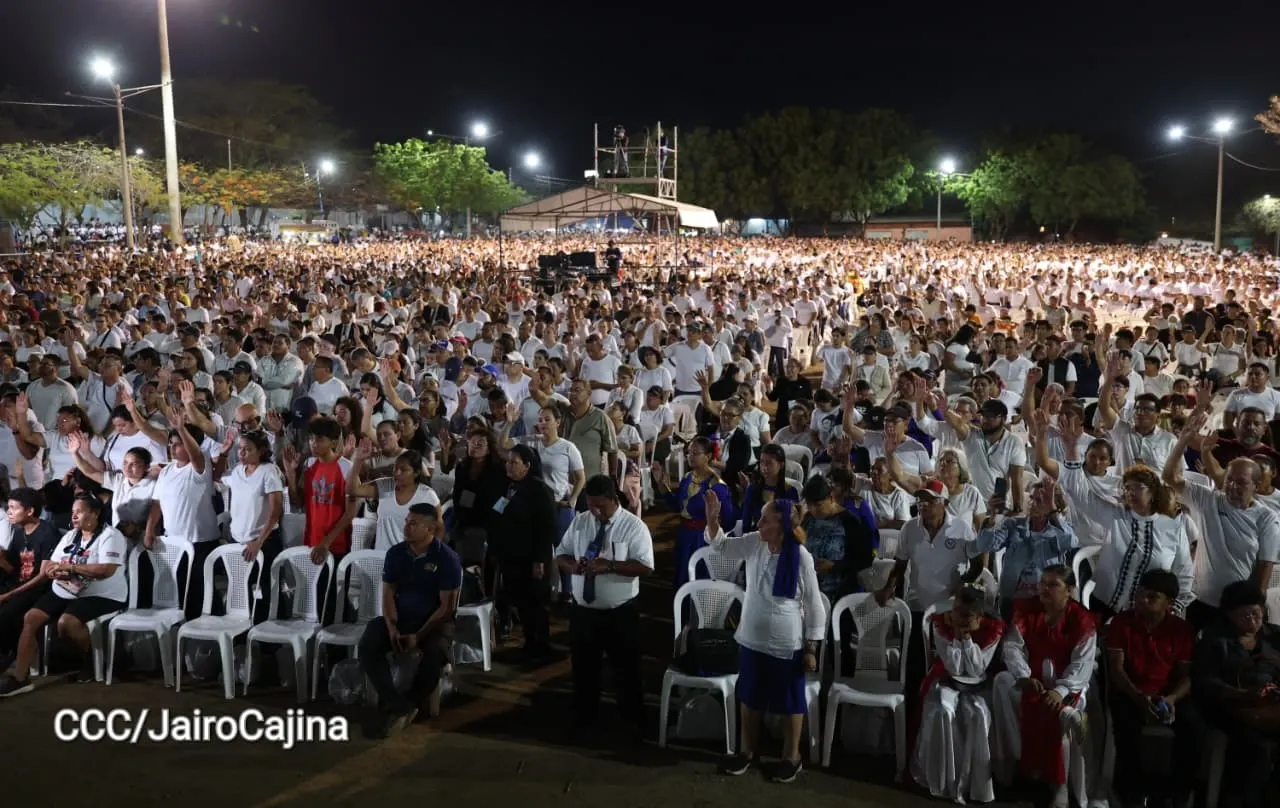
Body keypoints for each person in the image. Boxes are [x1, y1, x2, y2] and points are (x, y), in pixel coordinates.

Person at [704, 488, 826, 783]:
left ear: (782, 527)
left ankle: (791, 757)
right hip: (751, 637)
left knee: (790, 702)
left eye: (765, 520)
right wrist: (711, 519)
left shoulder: (802, 558)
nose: (758, 525)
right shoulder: (753, 544)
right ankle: (747, 752)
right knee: (750, 697)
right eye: (760, 519)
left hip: (787, 643)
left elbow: (814, 605)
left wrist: (811, 648)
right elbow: (720, 547)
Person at [554, 474, 654, 739]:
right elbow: (560, 554)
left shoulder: (633, 527)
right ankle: (585, 717)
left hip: (620, 612)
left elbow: (645, 566)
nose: (595, 510)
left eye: (600, 505)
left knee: (627, 669)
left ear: (614, 499)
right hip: (584, 610)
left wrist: (609, 566)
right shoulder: (580, 522)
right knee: (584, 667)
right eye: (591, 504)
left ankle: (633, 719)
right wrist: (573, 566)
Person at [0, 494, 129, 696]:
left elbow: (106, 570)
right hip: (65, 589)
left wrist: (72, 568)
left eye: (79, 511)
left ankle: (92, 661)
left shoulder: (110, 536)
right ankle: (20, 678)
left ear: (94, 514)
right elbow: (52, 563)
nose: (74, 516)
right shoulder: (71, 535)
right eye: (73, 512)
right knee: (31, 618)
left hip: (103, 594)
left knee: (66, 623)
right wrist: (54, 571)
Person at [990, 565, 1096, 808]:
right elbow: (1012, 647)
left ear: (1069, 590)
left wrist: (1060, 691)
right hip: (1034, 679)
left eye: (1053, 584)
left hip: (1068, 685)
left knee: (1062, 714)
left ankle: (1058, 784)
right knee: (1002, 683)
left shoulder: (1082, 621)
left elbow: (1082, 665)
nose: (1044, 589)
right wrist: (1023, 675)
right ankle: (1015, 767)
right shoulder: (1028, 611)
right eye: (1042, 583)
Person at [359, 502, 460, 737]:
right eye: (407, 521)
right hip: (402, 618)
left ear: (429, 529)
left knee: (435, 653)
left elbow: (446, 607)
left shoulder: (447, 559)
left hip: (434, 623)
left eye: (413, 523)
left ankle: (413, 701)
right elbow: (388, 594)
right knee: (369, 642)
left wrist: (418, 636)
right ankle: (398, 703)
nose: (406, 527)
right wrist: (392, 627)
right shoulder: (396, 553)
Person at [1105, 568, 1200, 808]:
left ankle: (1176, 793)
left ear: (1169, 602)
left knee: (1193, 727)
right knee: (1127, 727)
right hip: (1131, 691)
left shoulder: (1182, 630)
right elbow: (1116, 669)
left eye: (1152, 596)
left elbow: (1187, 677)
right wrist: (1138, 697)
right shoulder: (1121, 623)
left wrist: (1171, 699)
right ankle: (1131, 792)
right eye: (1140, 593)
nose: (1142, 600)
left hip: (1168, 694)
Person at [910, 583, 1006, 803]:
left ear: (979, 616)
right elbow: (953, 667)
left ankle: (976, 784)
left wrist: (967, 639)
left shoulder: (993, 629)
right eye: (957, 613)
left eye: (967, 615)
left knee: (978, 714)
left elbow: (977, 668)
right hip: (945, 676)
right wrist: (956, 635)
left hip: (979, 683)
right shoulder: (941, 624)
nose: (961, 619)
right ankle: (945, 780)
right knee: (944, 709)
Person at [1193, 580, 1280, 808]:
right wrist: (1243, 695)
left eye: (1256, 614)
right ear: (1229, 615)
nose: (1252, 621)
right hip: (1230, 708)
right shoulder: (1214, 639)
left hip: (1270, 708)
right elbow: (1206, 681)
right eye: (1244, 616)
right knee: (1253, 748)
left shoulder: (1275, 638)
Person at [494, 444, 557, 661]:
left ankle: (542, 646)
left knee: (536, 603)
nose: (509, 466)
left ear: (527, 466)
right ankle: (530, 643)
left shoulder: (539, 490)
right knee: (521, 601)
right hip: (512, 555)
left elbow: (547, 527)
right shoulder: (508, 487)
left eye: (514, 462)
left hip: (533, 557)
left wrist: (540, 560)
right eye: (508, 462)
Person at [0, 488, 60, 669]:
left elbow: (42, 577)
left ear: (30, 511)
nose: (8, 512)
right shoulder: (19, 533)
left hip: (38, 589)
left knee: (5, 612)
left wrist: (8, 595)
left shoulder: (47, 533)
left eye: (13, 508)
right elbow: (13, 569)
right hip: (19, 584)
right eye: (8, 507)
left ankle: (8, 655)